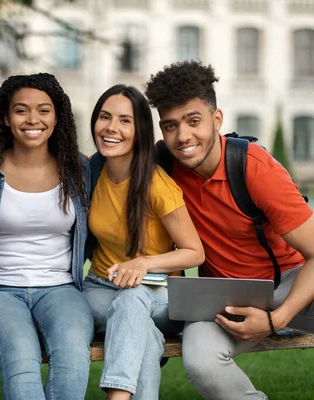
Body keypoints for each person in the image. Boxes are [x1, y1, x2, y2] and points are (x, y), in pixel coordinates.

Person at [144, 60, 314, 399]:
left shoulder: (256, 169)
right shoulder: (163, 163)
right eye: (170, 126)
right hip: (222, 299)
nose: (183, 137)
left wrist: (275, 320)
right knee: (201, 358)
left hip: (292, 285)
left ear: (217, 119)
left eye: (194, 121)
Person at [0, 73, 94, 400]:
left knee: (73, 351)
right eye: (21, 110)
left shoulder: (78, 170)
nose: (33, 119)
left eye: (44, 110)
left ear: (57, 116)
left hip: (61, 288)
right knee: (20, 352)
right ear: (5, 118)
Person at [82, 84, 204, 400]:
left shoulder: (157, 185)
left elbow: (195, 253)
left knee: (132, 300)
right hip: (99, 288)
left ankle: (117, 397)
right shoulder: (92, 172)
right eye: (105, 117)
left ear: (140, 131)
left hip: (160, 294)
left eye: (125, 120)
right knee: (142, 335)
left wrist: (145, 262)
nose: (111, 128)